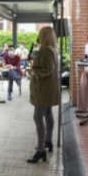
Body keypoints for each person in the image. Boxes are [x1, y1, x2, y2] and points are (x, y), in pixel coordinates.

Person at [27, 26, 61, 163]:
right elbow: (48, 66)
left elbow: (46, 70)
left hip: (44, 90)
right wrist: (35, 59)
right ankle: (48, 142)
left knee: (37, 117)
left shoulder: (46, 51)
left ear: (44, 36)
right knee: (48, 114)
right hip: (49, 89)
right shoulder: (52, 50)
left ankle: (41, 150)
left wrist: (33, 72)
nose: (38, 37)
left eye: (40, 34)